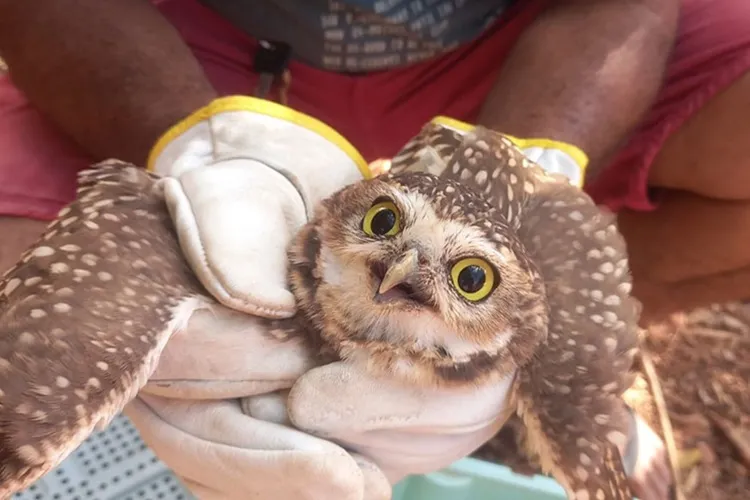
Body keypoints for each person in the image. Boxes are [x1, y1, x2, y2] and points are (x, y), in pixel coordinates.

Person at [1, 0, 748, 498]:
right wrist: (203, 156)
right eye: (387, 231)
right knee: (34, 354)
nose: (405, 272)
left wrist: (525, 179)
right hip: (175, 38)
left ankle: (531, 391)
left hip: (518, 47)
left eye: (471, 277)